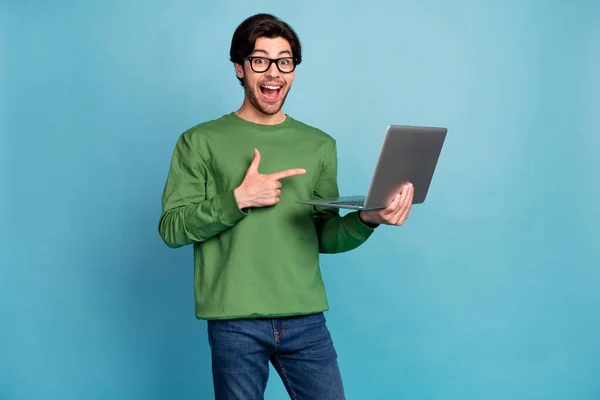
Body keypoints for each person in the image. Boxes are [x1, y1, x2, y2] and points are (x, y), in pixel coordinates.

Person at [158, 13, 414, 400]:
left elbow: (324, 234)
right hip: (235, 322)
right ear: (239, 69)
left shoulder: (319, 144)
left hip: (306, 319)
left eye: (285, 61)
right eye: (260, 60)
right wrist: (237, 199)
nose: (273, 72)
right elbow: (172, 228)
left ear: (293, 69)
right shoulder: (199, 141)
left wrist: (367, 219)